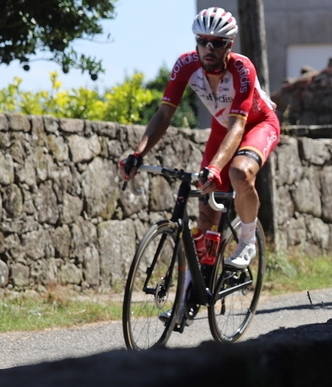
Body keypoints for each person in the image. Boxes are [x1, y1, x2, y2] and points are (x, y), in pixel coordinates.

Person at [118, 7, 279, 270]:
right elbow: (163, 114)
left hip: (257, 124)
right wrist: (138, 154)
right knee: (205, 220)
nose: (208, 48)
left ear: (229, 44)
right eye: (201, 41)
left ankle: (247, 240)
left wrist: (216, 167)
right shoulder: (185, 64)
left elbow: (238, 127)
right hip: (222, 128)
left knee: (239, 173)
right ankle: (194, 291)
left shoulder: (242, 68)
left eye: (216, 43)